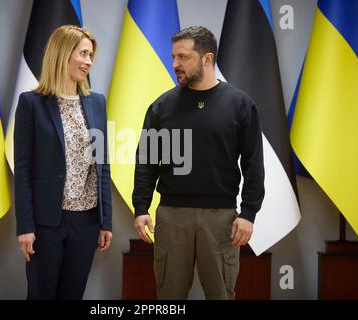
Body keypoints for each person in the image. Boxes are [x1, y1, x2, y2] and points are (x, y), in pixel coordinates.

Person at [132, 26, 265, 300]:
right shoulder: (162, 107)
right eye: (173, 57)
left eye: (183, 57)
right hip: (171, 216)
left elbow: (254, 164)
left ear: (207, 59)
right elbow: (147, 161)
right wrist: (141, 206)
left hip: (222, 219)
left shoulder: (241, 105)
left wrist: (249, 213)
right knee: (169, 296)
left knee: (221, 294)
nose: (175, 65)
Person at [14, 25, 113, 300]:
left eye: (91, 55)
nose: (89, 62)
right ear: (62, 54)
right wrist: (25, 226)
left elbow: (103, 166)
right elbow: (22, 170)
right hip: (46, 223)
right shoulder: (31, 103)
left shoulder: (97, 103)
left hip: (87, 221)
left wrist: (107, 222)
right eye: (83, 53)